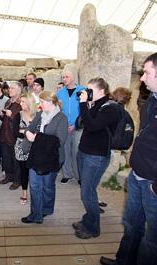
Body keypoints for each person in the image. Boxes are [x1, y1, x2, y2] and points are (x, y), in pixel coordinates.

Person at [100, 53, 157, 265]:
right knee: (131, 224)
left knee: (152, 239)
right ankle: (124, 260)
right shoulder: (152, 101)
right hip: (138, 175)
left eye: (147, 73)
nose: (142, 79)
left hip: (153, 184)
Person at [74, 77, 120, 239]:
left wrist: (83, 104)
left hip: (97, 156)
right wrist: (88, 106)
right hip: (85, 151)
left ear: (102, 91)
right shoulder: (96, 104)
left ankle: (93, 228)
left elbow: (93, 127)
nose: (87, 93)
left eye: (90, 90)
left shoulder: (111, 108)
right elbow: (82, 123)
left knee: (88, 193)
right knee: (86, 190)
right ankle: (88, 220)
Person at [21, 91, 68, 224]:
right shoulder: (40, 115)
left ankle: (47, 208)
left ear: (50, 102)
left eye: (42, 102)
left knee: (48, 186)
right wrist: (28, 132)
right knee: (35, 185)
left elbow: (59, 141)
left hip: (53, 157)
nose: (39, 105)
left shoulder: (61, 118)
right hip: (36, 155)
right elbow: (30, 128)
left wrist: (36, 137)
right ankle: (36, 214)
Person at [56, 70, 86, 184]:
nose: (64, 79)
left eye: (67, 77)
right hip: (64, 126)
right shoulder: (60, 93)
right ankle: (67, 174)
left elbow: (85, 110)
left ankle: (79, 176)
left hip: (78, 126)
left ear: (73, 78)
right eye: (63, 77)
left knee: (77, 152)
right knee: (65, 150)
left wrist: (75, 124)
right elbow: (59, 110)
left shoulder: (82, 90)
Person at [13, 93, 37, 204]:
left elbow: (41, 130)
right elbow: (15, 133)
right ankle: (24, 192)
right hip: (21, 146)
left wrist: (24, 131)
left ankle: (35, 192)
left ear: (29, 103)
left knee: (35, 171)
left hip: (36, 146)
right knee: (24, 170)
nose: (20, 104)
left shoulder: (38, 115)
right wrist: (29, 133)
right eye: (20, 101)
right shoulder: (18, 115)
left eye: (23, 101)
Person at [0, 81, 23, 190]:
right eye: (9, 88)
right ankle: (9, 176)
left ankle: (17, 180)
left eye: (12, 88)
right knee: (6, 158)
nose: (10, 90)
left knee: (16, 159)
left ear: (19, 90)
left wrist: (11, 115)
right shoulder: (8, 102)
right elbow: (5, 119)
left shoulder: (21, 103)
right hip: (5, 134)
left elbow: (23, 119)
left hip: (15, 135)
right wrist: (2, 115)